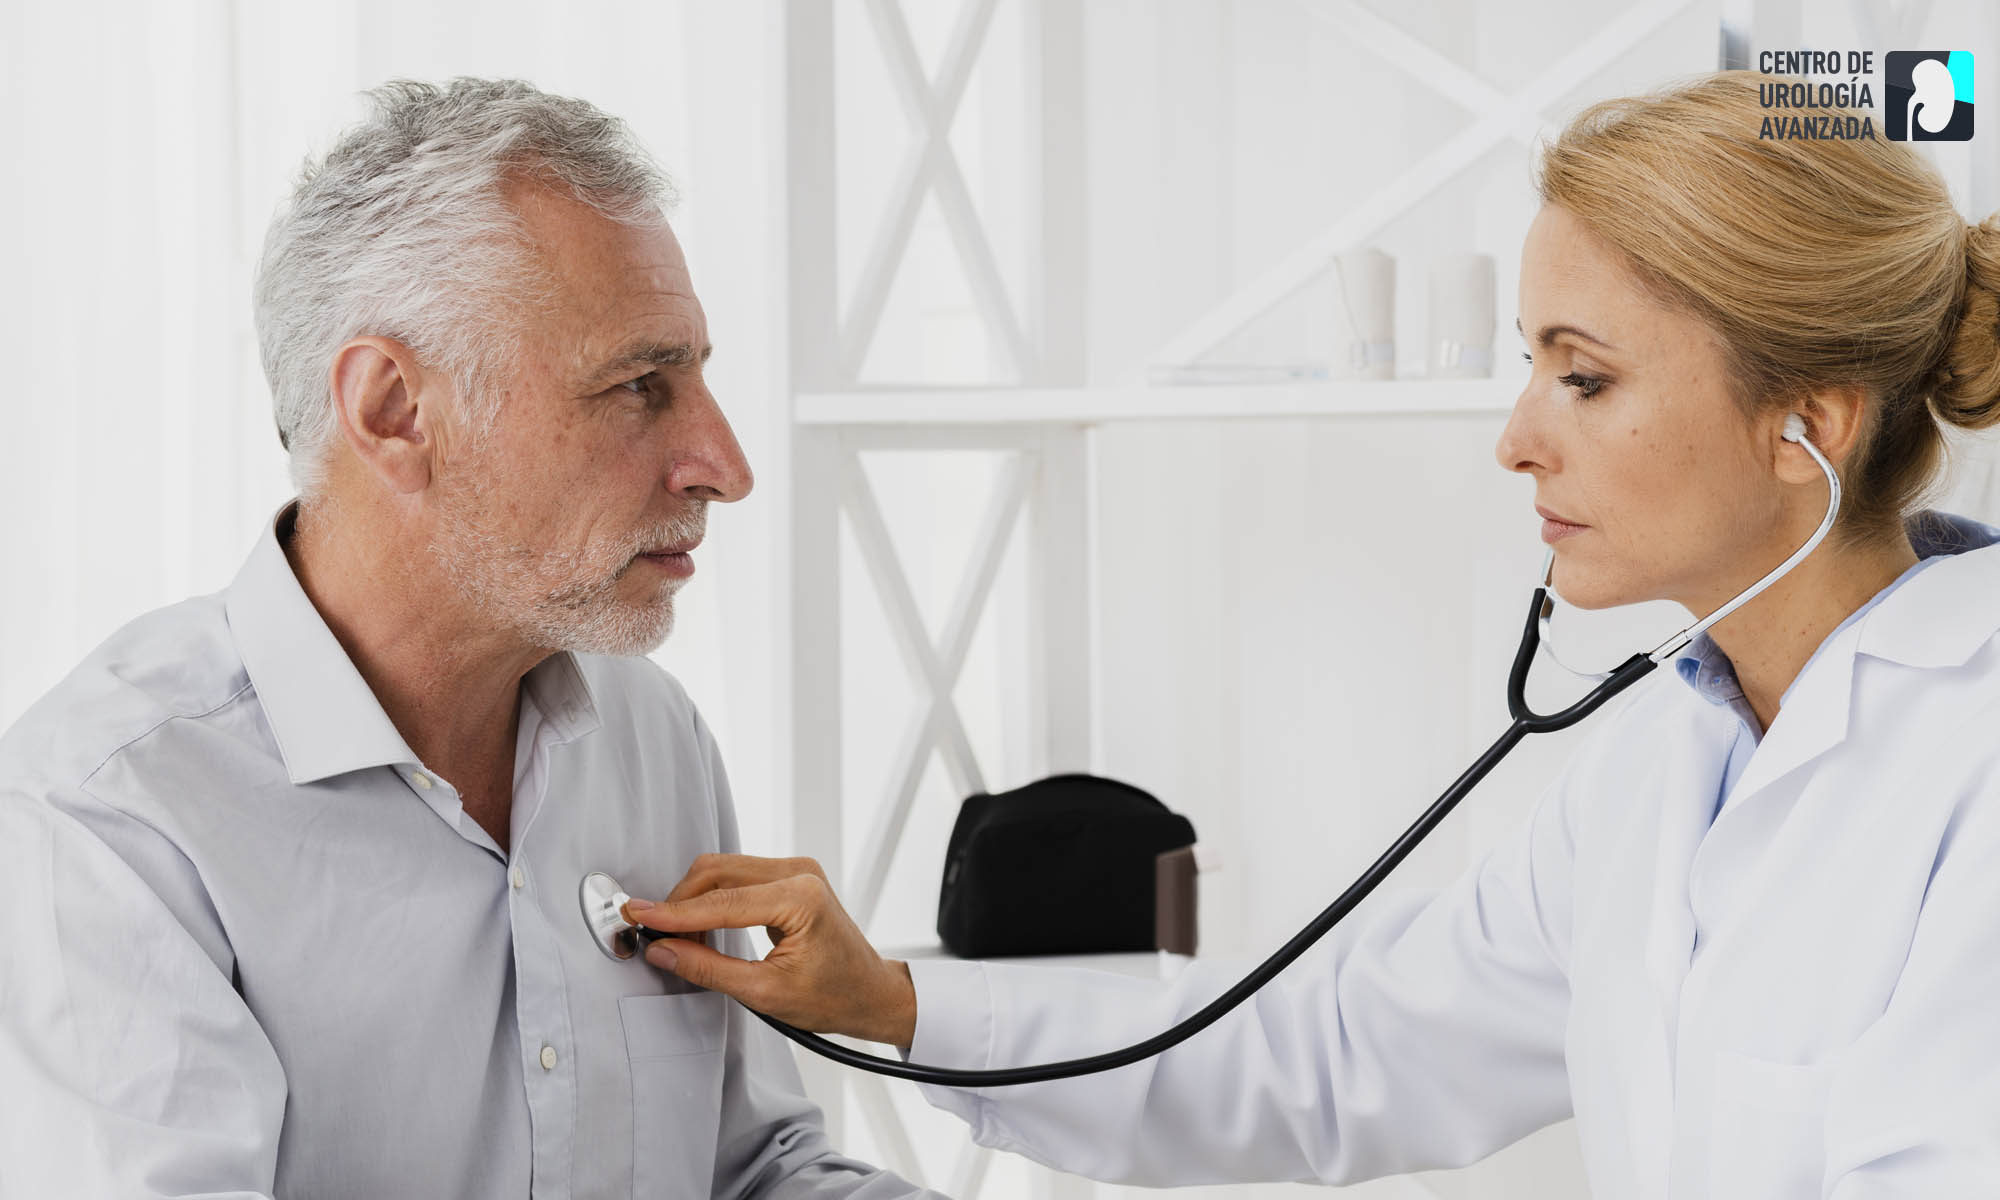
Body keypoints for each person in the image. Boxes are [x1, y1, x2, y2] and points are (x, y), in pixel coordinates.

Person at [616, 72, 2000, 1197]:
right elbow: (1336, 1052)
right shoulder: (1666, 763)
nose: (1517, 439)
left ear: (1806, 427)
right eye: (1528, 363)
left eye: (1583, 377)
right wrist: (895, 1003)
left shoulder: (1970, 759)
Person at [0, 78, 937, 1200]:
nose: (723, 467)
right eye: (639, 385)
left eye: (696, 374)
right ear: (394, 410)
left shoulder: (648, 733)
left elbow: (744, 1174)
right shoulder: (109, 821)